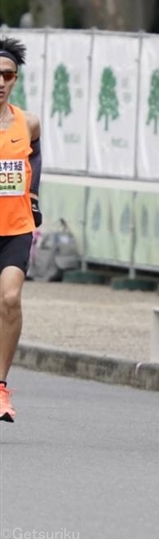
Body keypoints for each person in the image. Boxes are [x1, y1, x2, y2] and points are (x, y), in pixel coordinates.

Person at [0, 37, 42, 423]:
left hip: (15, 227)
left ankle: (0, 387)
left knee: (10, 300)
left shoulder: (27, 122)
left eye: (7, 74)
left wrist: (35, 195)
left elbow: (36, 156)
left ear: (15, 79)